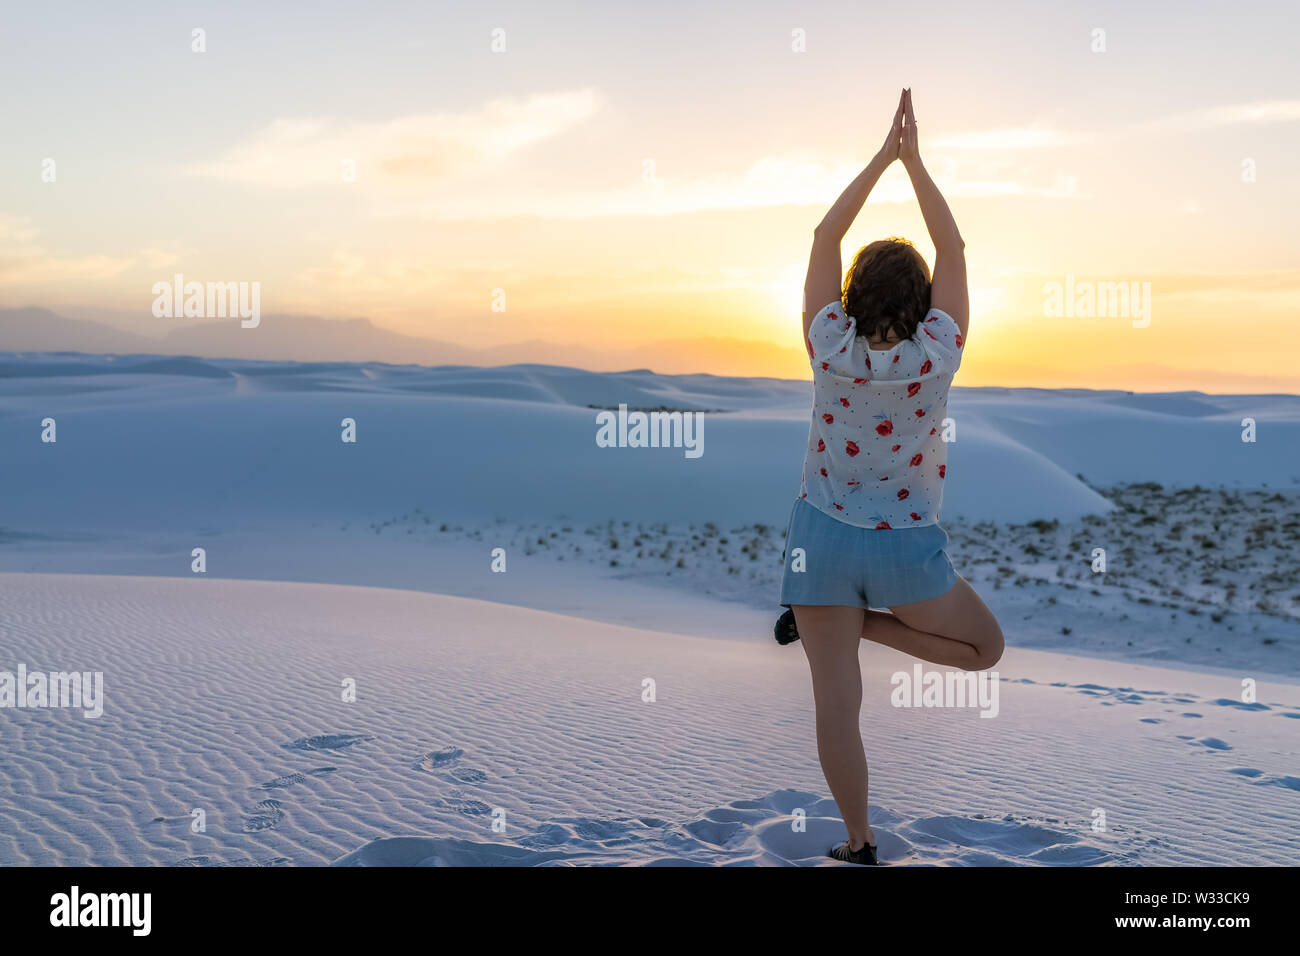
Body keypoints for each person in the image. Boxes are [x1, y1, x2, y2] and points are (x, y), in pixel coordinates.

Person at [776, 89, 1004, 866]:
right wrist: (915, 163)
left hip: (820, 550)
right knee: (985, 651)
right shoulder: (940, 349)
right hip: (906, 550)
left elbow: (822, 233)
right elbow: (957, 252)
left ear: (851, 295)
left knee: (837, 708)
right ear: (922, 302)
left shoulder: (826, 343)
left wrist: (880, 158)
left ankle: (859, 842)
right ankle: (861, 624)